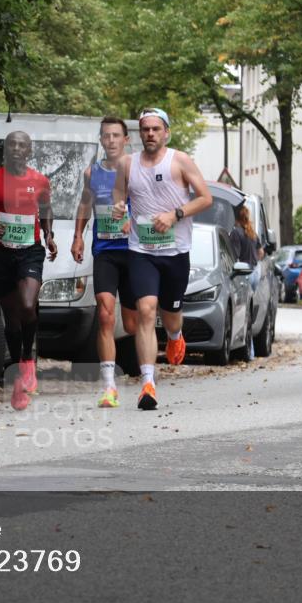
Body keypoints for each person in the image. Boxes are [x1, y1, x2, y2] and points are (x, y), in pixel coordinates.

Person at [112, 108, 213, 410]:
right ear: (140, 134)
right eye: (146, 130)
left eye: (156, 129)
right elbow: (119, 198)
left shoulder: (180, 160)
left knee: (170, 314)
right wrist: (119, 211)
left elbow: (205, 197)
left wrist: (175, 214)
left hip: (175, 253)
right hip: (141, 250)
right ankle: (147, 383)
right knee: (145, 310)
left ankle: (175, 334)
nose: (151, 134)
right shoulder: (127, 164)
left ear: (166, 132)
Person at [0, 131, 58, 410]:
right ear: (5, 150)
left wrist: (49, 235)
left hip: (30, 252)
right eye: (12, 145)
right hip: (2, 254)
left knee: (28, 304)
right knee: (11, 317)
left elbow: (46, 210)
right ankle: (20, 363)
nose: (17, 149)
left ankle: (29, 360)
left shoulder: (40, 181)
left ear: (29, 151)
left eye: (22, 145)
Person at [72, 117, 139, 408]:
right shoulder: (92, 172)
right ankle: (109, 385)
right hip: (105, 252)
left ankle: (142, 368)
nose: (110, 140)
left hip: (136, 252)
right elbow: (85, 203)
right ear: (101, 141)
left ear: (126, 140)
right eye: (106, 136)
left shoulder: (138, 171)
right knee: (105, 315)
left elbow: (154, 205)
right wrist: (78, 236)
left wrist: (132, 221)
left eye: (116, 135)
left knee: (135, 323)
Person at [229, 204, 264, 291]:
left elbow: (234, 255)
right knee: (250, 301)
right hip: (255, 271)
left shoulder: (235, 232)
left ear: (234, 217)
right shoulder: (252, 232)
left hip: (243, 273)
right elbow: (261, 252)